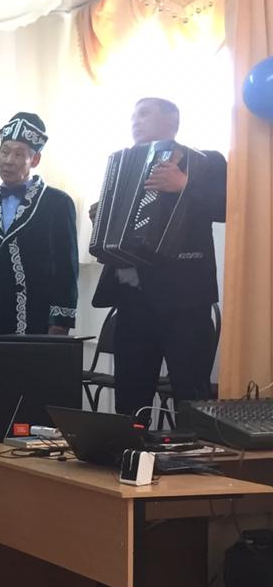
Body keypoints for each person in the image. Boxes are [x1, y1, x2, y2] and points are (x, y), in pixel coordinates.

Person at [92, 97, 227, 418]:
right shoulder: (121, 163)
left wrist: (185, 185)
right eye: (133, 115)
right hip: (131, 301)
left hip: (185, 302)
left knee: (191, 398)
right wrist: (102, 216)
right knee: (130, 399)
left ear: (172, 121)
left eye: (144, 114)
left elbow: (229, 207)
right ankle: (131, 448)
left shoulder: (206, 161)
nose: (135, 121)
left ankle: (191, 450)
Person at [0, 112, 78, 339]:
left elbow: (66, 267)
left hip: (38, 319)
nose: (8, 160)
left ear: (35, 160)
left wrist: (60, 320)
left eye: (18, 154)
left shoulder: (57, 203)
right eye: (4, 151)